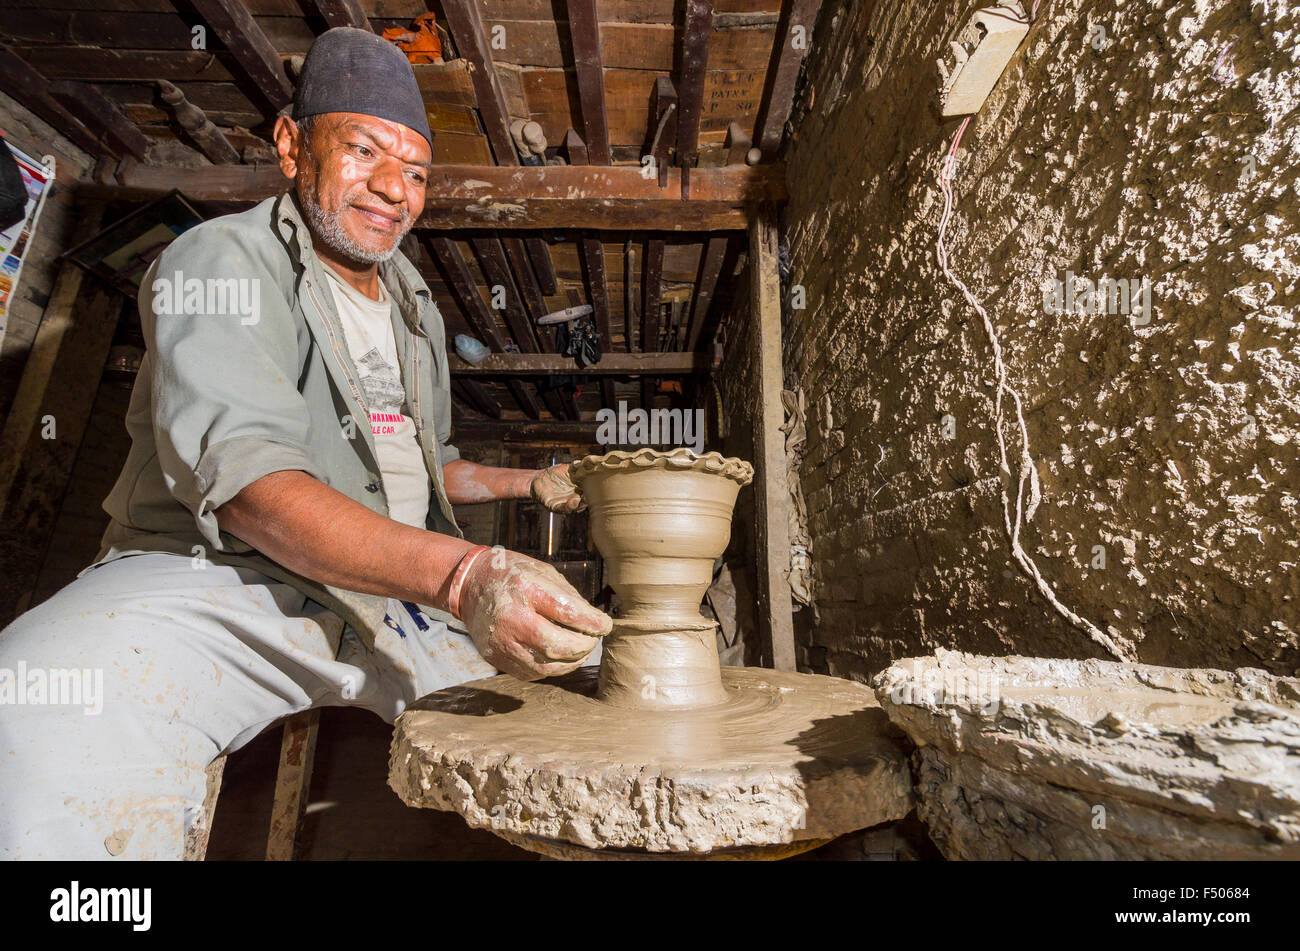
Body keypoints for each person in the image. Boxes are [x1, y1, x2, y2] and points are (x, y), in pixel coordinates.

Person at [0, 27, 611, 860]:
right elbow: (251, 483)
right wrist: (466, 573)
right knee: (40, 700)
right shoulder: (214, 261)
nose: (394, 187)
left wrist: (525, 483)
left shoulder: (416, 312)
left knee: (591, 743)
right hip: (229, 580)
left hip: (396, 595)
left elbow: (422, 467)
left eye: (418, 172)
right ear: (292, 146)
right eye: (363, 149)